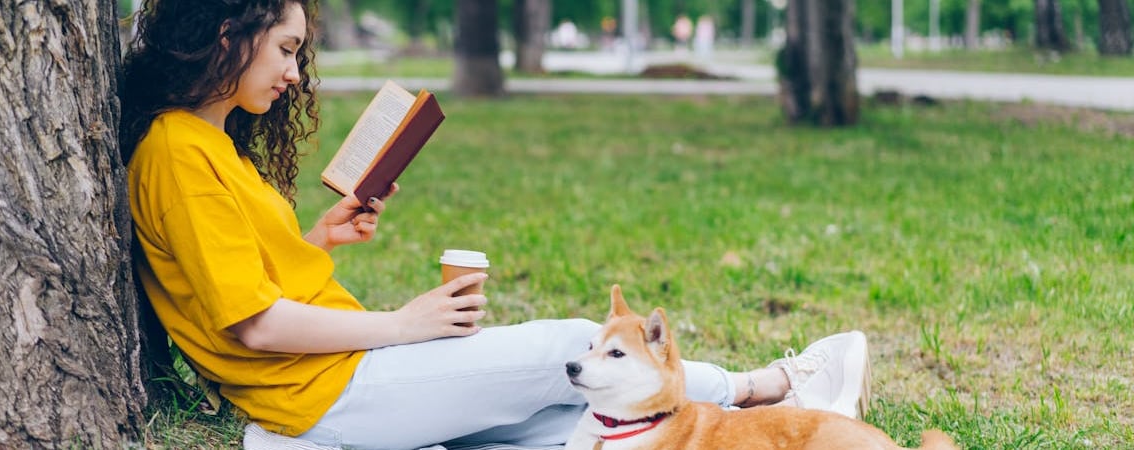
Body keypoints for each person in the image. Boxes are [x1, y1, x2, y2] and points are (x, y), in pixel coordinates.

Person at [119, 1, 872, 449]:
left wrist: (319, 238)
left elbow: (241, 277)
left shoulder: (205, 145)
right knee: (563, 352)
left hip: (323, 384)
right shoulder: (178, 153)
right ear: (228, 32)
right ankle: (773, 387)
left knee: (568, 424)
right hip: (321, 388)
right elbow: (252, 325)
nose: (292, 75)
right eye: (285, 49)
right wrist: (406, 323)